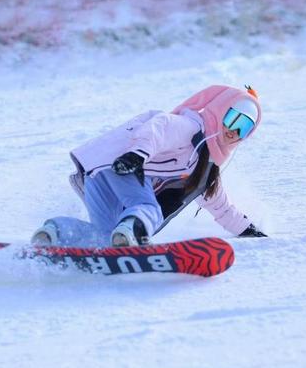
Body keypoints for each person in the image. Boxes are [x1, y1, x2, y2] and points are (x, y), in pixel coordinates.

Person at [32, 84, 267, 247]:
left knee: (106, 237)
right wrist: (137, 154)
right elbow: (160, 126)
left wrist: (250, 232)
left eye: (244, 127)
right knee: (149, 209)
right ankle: (133, 234)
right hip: (122, 163)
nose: (233, 131)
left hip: (97, 174)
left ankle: (54, 233)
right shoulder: (192, 128)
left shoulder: (205, 167)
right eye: (232, 118)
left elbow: (221, 208)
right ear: (220, 110)